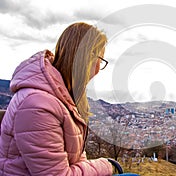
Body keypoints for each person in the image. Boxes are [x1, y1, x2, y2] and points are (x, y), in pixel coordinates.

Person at [0, 22, 113, 175]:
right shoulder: (37, 106)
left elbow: (76, 156)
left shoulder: (62, 96)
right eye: (101, 60)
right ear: (87, 58)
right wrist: (105, 166)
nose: (99, 69)